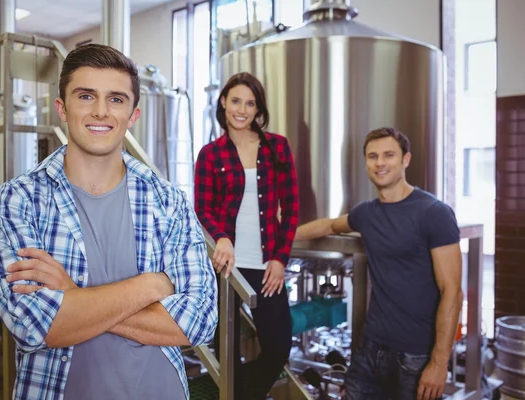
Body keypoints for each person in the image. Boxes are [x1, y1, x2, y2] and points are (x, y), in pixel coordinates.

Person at [0, 43, 218, 400]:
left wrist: (72, 297)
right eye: (86, 96)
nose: (101, 112)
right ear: (62, 108)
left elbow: (200, 322)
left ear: (133, 115)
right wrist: (151, 286)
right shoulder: (20, 200)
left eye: (116, 99)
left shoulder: (168, 202)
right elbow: (32, 324)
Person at [295, 127, 462, 400]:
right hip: (371, 348)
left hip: (415, 355)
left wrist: (439, 362)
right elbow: (330, 224)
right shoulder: (366, 212)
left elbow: (453, 292)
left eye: (388, 155)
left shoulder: (434, 213)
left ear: (405, 159)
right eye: (373, 156)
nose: (380, 163)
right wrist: (283, 236)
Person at [194, 72, 299, 400]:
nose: (242, 109)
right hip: (226, 269)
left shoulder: (277, 147)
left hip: (267, 266)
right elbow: (203, 209)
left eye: (250, 103)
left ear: (258, 109)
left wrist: (280, 259)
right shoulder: (210, 155)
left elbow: (292, 208)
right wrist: (222, 237)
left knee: (279, 347)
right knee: (226, 354)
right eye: (236, 100)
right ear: (223, 102)